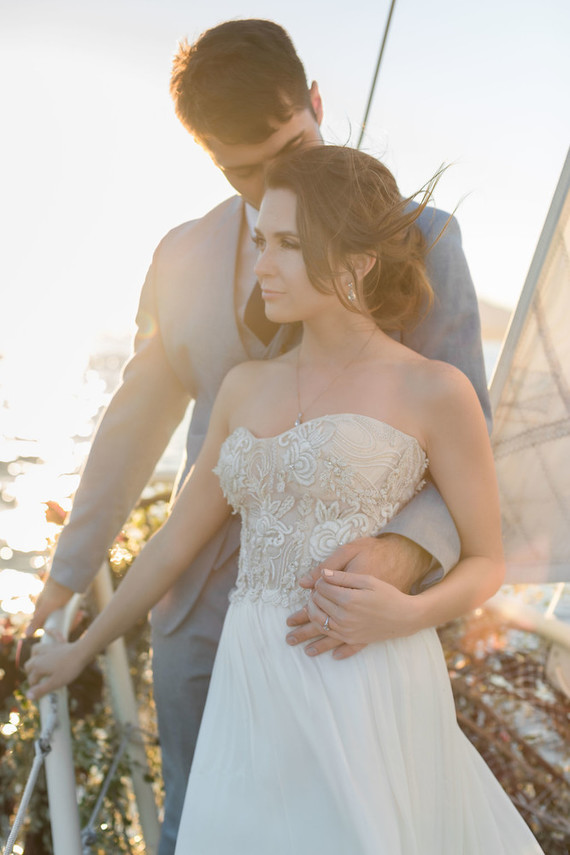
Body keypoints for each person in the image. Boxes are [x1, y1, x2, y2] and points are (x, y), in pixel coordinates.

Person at [26, 20, 491, 854]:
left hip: (350, 627)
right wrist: (67, 587)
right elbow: (132, 427)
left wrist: (400, 562)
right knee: (196, 825)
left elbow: (468, 453)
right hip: (207, 621)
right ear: (208, 155)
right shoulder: (181, 258)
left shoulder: (421, 239)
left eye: (290, 147)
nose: (276, 182)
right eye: (245, 171)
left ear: (315, 100)